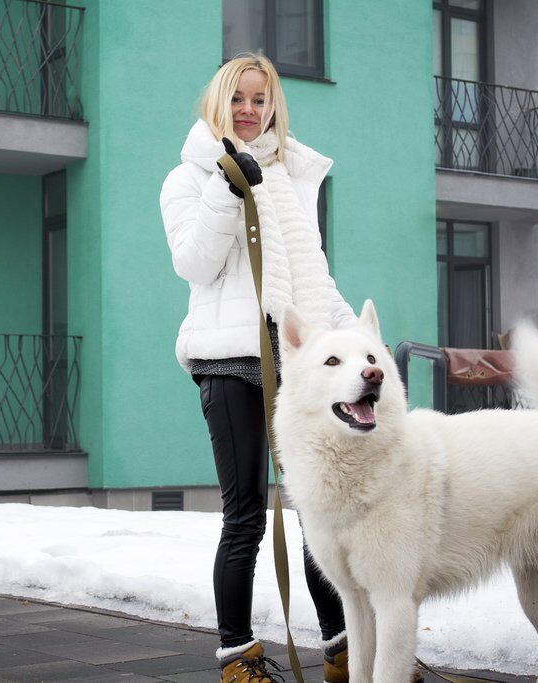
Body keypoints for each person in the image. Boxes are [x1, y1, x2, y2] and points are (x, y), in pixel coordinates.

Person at [160, 53, 356, 683]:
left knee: (314, 510)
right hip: (228, 363)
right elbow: (193, 264)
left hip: (295, 364)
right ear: (219, 102)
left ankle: (345, 650)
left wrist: (351, 339)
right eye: (238, 99)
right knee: (244, 512)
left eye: (260, 99)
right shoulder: (187, 178)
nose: (249, 111)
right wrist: (227, 185)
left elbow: (311, 272)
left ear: (274, 105)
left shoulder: (290, 175)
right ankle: (237, 657)